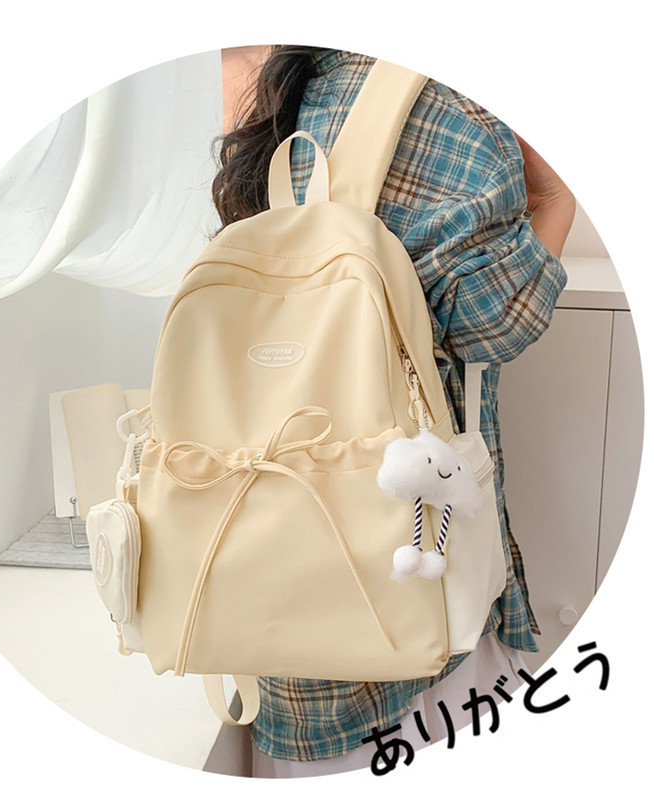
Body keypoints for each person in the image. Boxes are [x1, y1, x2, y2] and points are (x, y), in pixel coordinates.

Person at [214, 45, 575, 777]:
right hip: (411, 600)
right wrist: (556, 201)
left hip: (272, 601)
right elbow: (491, 325)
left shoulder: (291, 89)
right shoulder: (447, 108)